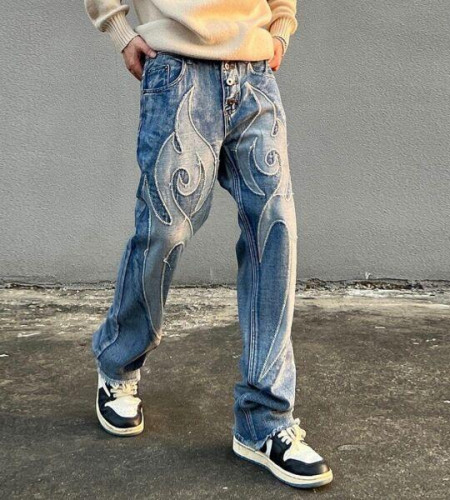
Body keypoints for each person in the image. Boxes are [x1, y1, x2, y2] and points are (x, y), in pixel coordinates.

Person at [84, 0, 333, 489]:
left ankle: (264, 420)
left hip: (255, 76)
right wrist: (119, 29)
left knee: (275, 231)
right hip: (177, 73)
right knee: (165, 231)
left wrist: (281, 25)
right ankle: (118, 361)